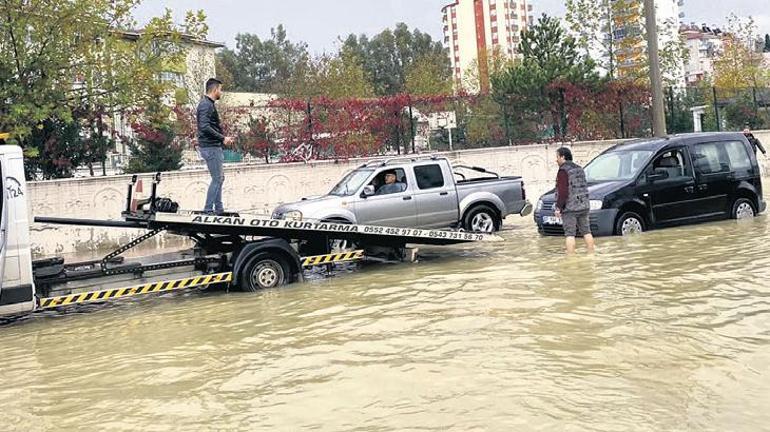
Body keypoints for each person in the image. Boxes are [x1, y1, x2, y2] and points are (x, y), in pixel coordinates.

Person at [197, 78, 233, 215]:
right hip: (210, 147)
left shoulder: (208, 104)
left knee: (219, 178)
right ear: (215, 89)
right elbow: (204, 126)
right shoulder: (206, 105)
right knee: (217, 178)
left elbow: (208, 126)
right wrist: (223, 138)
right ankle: (208, 210)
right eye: (220, 89)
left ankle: (218, 208)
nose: (221, 92)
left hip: (212, 146)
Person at [554, 147, 595, 254]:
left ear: (563, 157)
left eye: (557, 157)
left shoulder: (563, 171)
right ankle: (591, 254)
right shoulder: (580, 169)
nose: (556, 160)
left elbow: (563, 191)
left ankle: (571, 258)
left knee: (570, 234)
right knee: (587, 232)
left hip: (570, 208)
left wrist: (558, 207)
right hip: (584, 205)